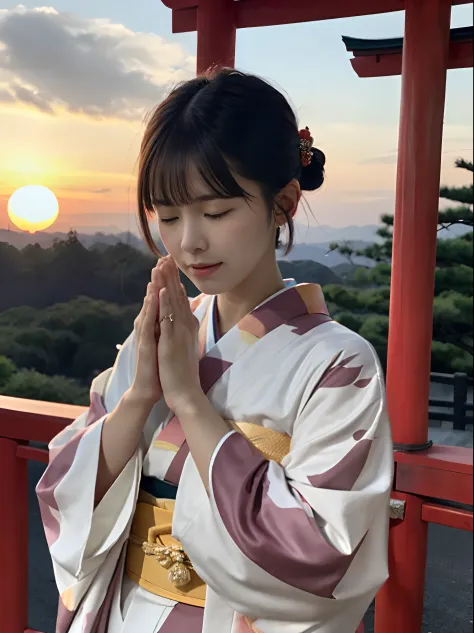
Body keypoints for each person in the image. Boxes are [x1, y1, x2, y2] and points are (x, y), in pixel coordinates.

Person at [36, 67, 393, 633]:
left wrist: (189, 401)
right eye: (169, 215)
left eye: (216, 212)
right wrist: (140, 398)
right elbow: (65, 492)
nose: (188, 242)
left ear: (284, 202)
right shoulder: (160, 335)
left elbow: (322, 554)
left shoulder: (339, 366)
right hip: (125, 613)